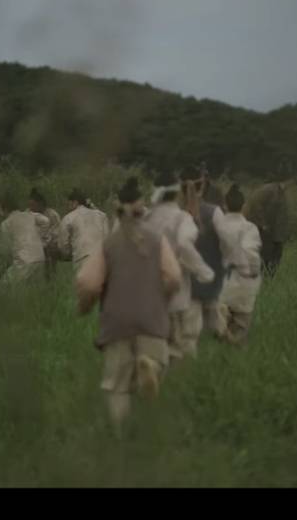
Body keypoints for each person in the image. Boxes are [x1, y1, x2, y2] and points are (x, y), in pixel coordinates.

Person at [75, 177, 182, 437]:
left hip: (117, 321)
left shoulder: (108, 244)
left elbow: (88, 283)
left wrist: (84, 307)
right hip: (151, 319)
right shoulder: (157, 240)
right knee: (159, 360)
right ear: (142, 209)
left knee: (118, 387)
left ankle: (121, 437)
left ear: (117, 209)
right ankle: (150, 365)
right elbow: (174, 277)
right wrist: (159, 297)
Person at [144, 170, 215, 361]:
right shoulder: (181, 218)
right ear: (177, 192)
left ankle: (152, 365)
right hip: (176, 292)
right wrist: (204, 272)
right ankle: (176, 377)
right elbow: (184, 245)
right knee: (180, 344)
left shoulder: (146, 217)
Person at [180, 165, 227, 345]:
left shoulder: (175, 213)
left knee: (190, 329)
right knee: (214, 317)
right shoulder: (214, 211)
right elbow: (227, 242)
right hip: (212, 277)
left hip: (185, 281)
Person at [215, 184, 262, 346]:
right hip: (244, 285)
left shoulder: (218, 226)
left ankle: (221, 327)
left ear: (224, 206)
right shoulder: (250, 228)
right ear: (244, 206)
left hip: (221, 284)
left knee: (220, 334)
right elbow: (251, 256)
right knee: (240, 331)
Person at [0, 192, 50, 284]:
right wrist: (41, 239)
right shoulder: (29, 215)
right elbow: (46, 221)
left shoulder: (6, 224)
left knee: (5, 284)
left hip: (23, 260)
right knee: (35, 288)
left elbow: (6, 249)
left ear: (5, 209)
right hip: (40, 258)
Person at [245, 173, 290, 278]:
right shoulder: (269, 190)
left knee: (275, 255)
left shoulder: (280, 192)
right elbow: (255, 203)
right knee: (265, 254)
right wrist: (263, 223)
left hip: (276, 232)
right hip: (266, 230)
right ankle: (260, 277)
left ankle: (269, 277)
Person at [58, 187, 110, 271]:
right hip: (102, 257)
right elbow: (107, 237)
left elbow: (63, 244)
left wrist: (68, 254)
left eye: (69, 204)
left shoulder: (68, 218)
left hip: (82, 257)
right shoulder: (102, 215)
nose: (68, 207)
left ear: (75, 202)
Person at [29, 188, 61, 281]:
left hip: (49, 246)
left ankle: (50, 280)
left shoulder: (52, 215)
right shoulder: (30, 214)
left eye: (33, 205)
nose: (31, 208)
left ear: (40, 204)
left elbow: (56, 233)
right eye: (30, 205)